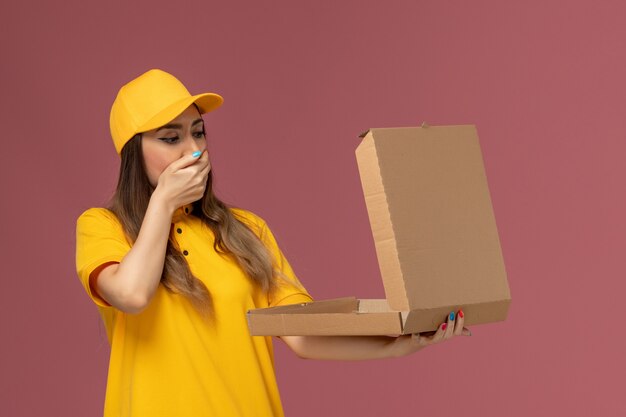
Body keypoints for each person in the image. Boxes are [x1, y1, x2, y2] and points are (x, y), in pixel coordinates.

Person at [75, 69, 471, 417]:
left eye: (198, 132)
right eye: (170, 137)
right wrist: (163, 202)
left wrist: (398, 343)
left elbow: (299, 334)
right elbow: (131, 294)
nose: (193, 150)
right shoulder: (103, 227)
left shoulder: (246, 230)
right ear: (133, 154)